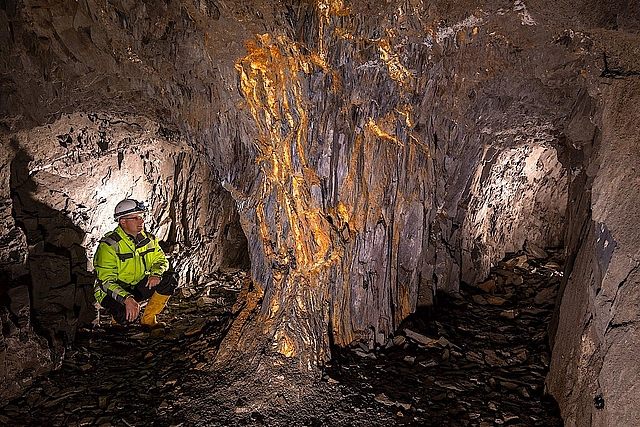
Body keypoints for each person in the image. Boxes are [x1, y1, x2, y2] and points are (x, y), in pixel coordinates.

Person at [93, 198, 177, 328]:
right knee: (125, 317)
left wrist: (156, 273)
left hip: (135, 285)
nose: (142, 221)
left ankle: (148, 319)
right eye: (136, 218)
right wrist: (126, 298)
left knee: (169, 279)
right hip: (112, 291)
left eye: (141, 217)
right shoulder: (109, 246)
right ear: (123, 221)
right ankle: (118, 320)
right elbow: (106, 281)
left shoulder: (149, 240)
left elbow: (161, 260)